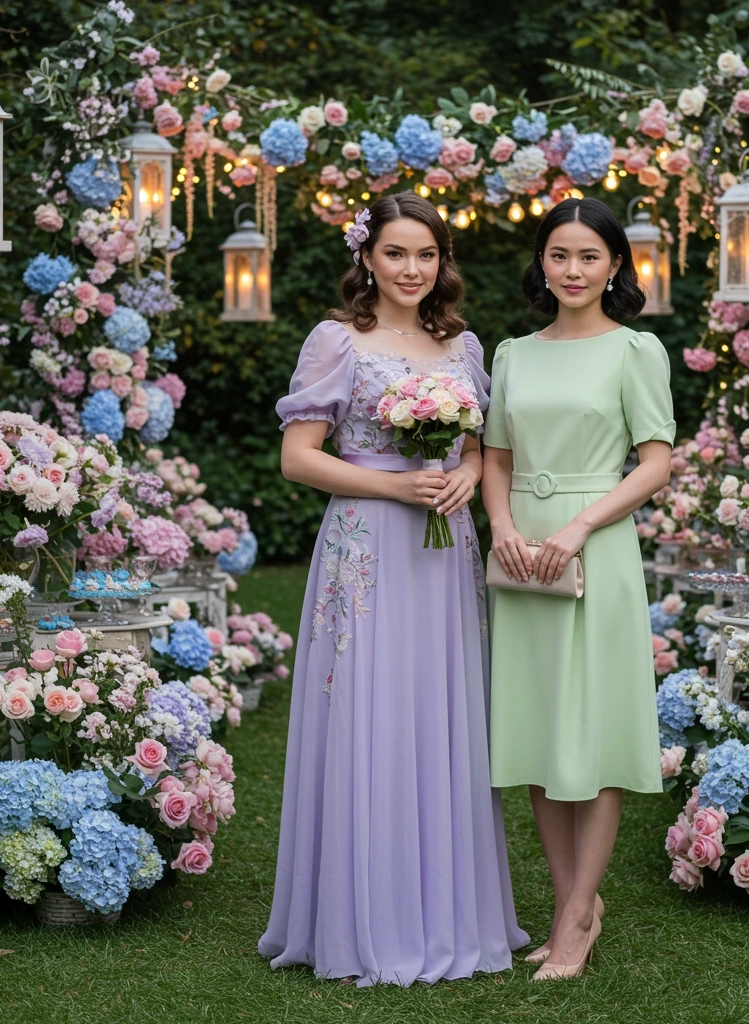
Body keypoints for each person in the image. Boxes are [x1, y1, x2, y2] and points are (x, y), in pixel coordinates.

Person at [259, 191, 528, 987]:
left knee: (438, 713)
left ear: (444, 263)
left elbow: (481, 448)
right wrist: (393, 489)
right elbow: (299, 458)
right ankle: (360, 918)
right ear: (366, 258)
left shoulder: (465, 345)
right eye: (396, 253)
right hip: (369, 546)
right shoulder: (339, 340)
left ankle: (449, 914)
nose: (412, 269)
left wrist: (465, 477)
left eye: (427, 255)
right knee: (367, 711)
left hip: (444, 550)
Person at [481, 197, 675, 982]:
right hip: (520, 551)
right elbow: (494, 456)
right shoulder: (512, 354)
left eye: (588, 257)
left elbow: (656, 462)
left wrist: (577, 528)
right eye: (558, 255)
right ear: (542, 262)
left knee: (589, 738)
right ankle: (576, 908)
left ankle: (574, 920)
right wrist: (501, 526)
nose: (572, 270)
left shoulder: (637, 349)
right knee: (533, 734)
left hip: (596, 547)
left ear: (615, 266)